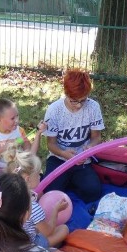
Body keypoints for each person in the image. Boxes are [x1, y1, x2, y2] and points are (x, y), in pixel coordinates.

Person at [0, 146, 69, 248]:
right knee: (64, 229)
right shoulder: (31, 207)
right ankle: (44, 249)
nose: (40, 176)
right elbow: (47, 232)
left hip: (1, 243)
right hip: (25, 246)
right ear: (27, 179)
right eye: (38, 173)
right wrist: (55, 211)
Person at [42, 68, 104, 202]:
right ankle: (66, 181)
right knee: (50, 194)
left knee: (93, 192)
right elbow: (51, 144)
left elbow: (96, 136)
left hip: (82, 160)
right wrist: (64, 154)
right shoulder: (54, 110)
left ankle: (70, 181)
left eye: (83, 100)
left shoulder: (93, 107)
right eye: (74, 101)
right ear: (66, 94)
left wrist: (90, 147)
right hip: (59, 159)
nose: (79, 105)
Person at [0, 98, 45, 174]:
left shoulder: (20, 131)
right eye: (12, 118)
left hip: (16, 173)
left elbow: (30, 155)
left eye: (17, 116)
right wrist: (4, 148)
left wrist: (38, 133)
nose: (17, 121)